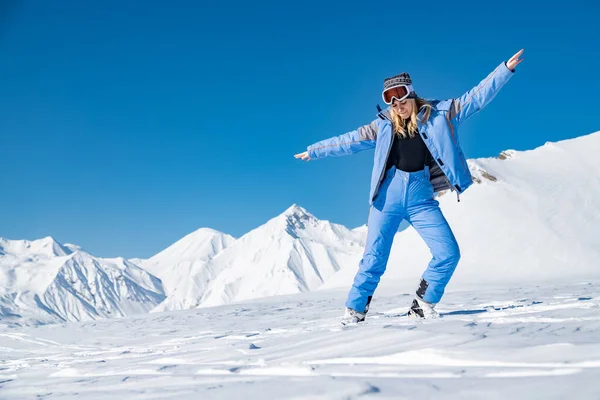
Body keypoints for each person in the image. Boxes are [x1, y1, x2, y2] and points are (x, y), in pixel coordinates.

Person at [295, 50, 524, 324]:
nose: (396, 106)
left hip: (421, 198)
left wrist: (504, 70)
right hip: (386, 201)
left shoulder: (441, 114)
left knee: (448, 253)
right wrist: (315, 151)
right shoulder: (381, 126)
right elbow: (348, 141)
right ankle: (355, 311)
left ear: (411, 94)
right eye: (390, 101)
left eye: (400, 98)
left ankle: (423, 302)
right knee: (374, 260)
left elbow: (475, 99)